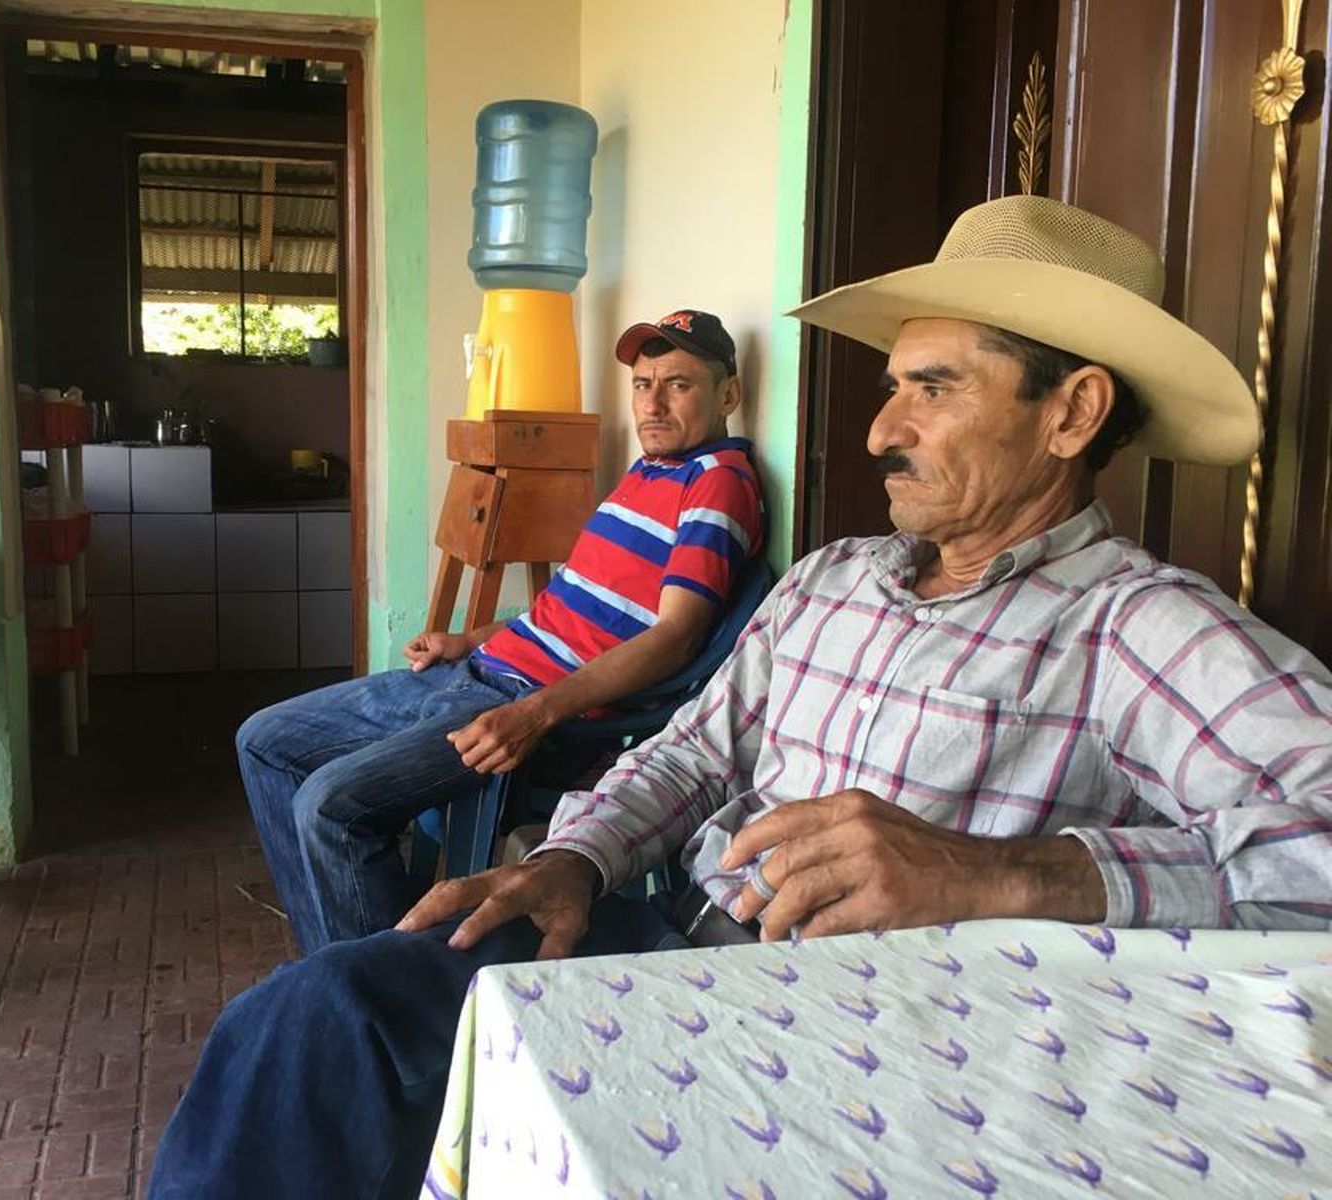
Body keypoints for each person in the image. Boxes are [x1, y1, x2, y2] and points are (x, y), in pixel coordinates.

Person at [149, 196, 1332, 1199]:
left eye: (932, 390)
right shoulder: (832, 578)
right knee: (313, 1022)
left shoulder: (1135, 626)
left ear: (1070, 413)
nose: (880, 430)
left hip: (884, 1041)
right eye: (891, 387)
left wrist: (1004, 875)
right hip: (670, 948)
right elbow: (693, 753)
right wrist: (575, 858)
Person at [238, 309, 765, 953]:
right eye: (641, 384)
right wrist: (469, 639)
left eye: (678, 385)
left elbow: (676, 636)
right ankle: (332, 956)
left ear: (728, 394)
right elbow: (568, 607)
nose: (652, 404)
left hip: (520, 707)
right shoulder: (647, 473)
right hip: (477, 671)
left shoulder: (716, 484)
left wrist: (535, 713)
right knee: (263, 741)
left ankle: (380, 984)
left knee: (329, 807)